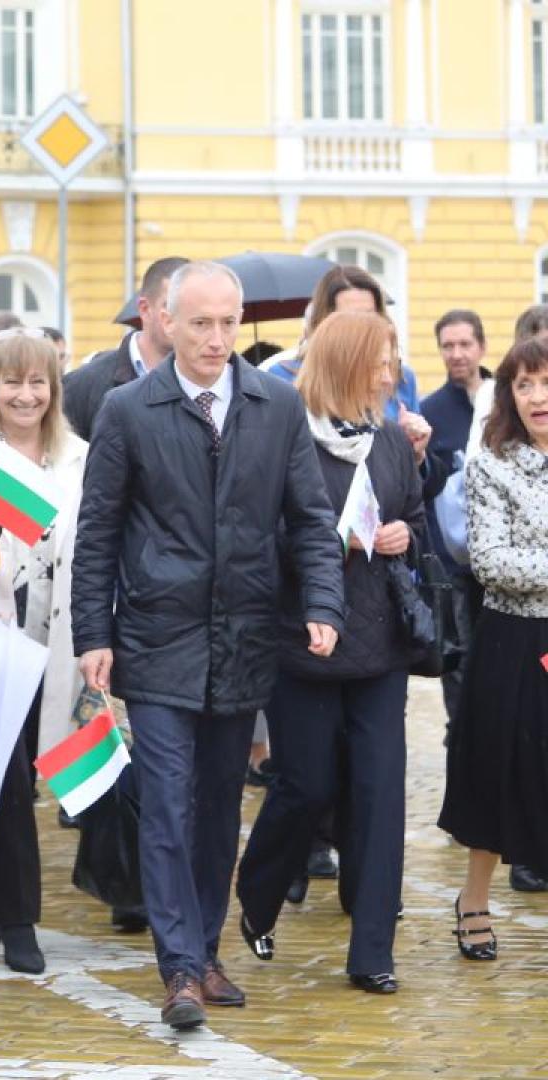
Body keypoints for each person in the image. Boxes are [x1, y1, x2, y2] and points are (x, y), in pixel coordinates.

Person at [73, 260, 345, 1031]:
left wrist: (322, 604)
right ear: (162, 318)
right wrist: (95, 633)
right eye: (200, 322)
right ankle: (179, 967)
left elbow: (310, 520)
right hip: (157, 637)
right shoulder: (129, 409)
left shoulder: (276, 405)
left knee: (219, 805)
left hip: (245, 635)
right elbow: (97, 533)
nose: (217, 338)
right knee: (165, 801)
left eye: (228, 322)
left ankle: (205, 948)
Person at [234, 311, 426, 994]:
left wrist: (403, 530)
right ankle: (257, 894)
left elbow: (417, 520)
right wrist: (331, 545)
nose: (391, 371)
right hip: (303, 643)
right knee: (304, 785)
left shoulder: (392, 442)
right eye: (380, 359)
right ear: (346, 361)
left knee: (378, 794)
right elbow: (260, 539)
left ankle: (373, 950)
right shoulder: (287, 439)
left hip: (380, 646)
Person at [0, 331, 92, 976]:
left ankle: (4, 907)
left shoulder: (77, 457)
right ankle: (4, 912)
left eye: (37, 382)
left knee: (44, 772)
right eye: (12, 382)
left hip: (58, 636)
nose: (25, 395)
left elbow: (94, 547)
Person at [438, 336, 548, 959]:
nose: (537, 396)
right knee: (496, 773)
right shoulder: (491, 464)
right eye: (524, 384)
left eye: (546, 382)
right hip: (514, 637)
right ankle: (474, 900)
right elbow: (492, 561)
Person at [262, 265, 420, 420]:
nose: (362, 326)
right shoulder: (282, 378)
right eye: (349, 317)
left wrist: (414, 442)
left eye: (369, 316)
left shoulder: (399, 378)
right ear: (324, 323)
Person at [62, 256, 189, 439]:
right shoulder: (83, 385)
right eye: (171, 306)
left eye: (190, 309)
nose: (181, 318)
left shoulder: (213, 383)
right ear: (145, 309)